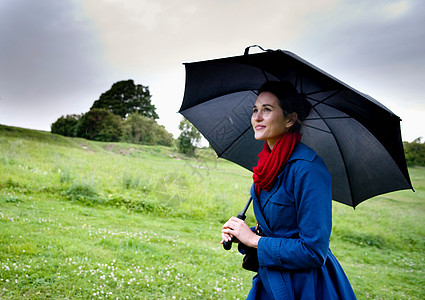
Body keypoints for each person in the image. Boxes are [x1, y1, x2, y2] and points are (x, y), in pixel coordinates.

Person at [221, 81, 357, 299]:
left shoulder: (308, 168)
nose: (257, 117)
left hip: (305, 287)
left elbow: (314, 251)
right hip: (270, 280)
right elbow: (279, 228)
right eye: (255, 109)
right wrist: (244, 235)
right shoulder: (266, 166)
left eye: (267, 109)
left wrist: (254, 241)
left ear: (290, 119)